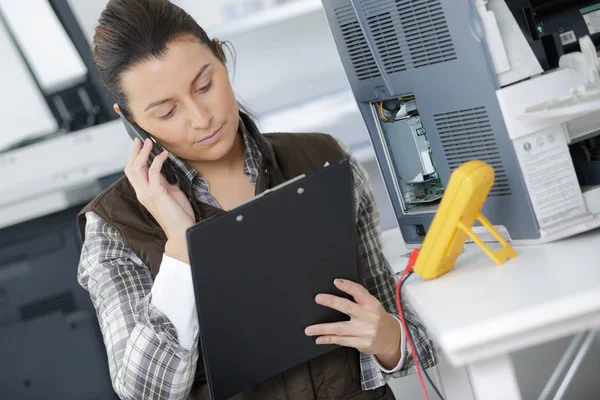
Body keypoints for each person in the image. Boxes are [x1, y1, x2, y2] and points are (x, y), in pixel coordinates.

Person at [76, 0, 437, 399]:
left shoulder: (323, 159)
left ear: (220, 55)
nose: (201, 117)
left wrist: (389, 340)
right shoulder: (113, 226)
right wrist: (181, 248)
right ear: (131, 121)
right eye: (166, 112)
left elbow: (416, 341)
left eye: (204, 85)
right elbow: (145, 393)